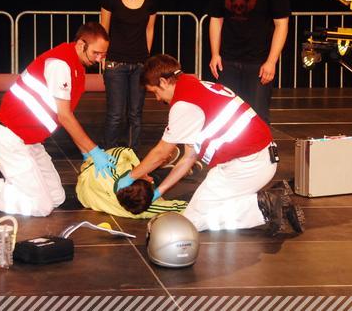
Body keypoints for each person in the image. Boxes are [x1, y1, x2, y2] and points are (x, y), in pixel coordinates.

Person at [116, 54, 305, 234]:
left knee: (192, 222)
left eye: (155, 92)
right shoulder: (197, 85)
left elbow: (161, 153)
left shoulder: (183, 104)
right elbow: (189, 157)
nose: (158, 99)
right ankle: (271, 200)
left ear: (164, 82)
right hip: (258, 161)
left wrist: (130, 176)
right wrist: (159, 191)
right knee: (204, 211)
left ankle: (265, 205)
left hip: (246, 166)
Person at [0, 22, 116, 217]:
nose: (99, 59)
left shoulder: (76, 65)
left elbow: (66, 117)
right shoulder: (61, 65)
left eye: (103, 55)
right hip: (11, 140)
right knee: (41, 207)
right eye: (96, 53)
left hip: (30, 141)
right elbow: (65, 116)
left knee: (57, 198)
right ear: (81, 44)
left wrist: (86, 152)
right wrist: (94, 151)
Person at [207, 0, 290, 125]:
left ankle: (261, 146)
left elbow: (281, 24)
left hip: (258, 63)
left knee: (257, 117)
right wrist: (215, 54)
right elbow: (216, 18)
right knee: (226, 115)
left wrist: (271, 61)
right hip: (228, 61)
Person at [100, 0, 157, 151]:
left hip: (139, 64)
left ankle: (131, 156)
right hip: (115, 63)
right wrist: (103, 57)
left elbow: (149, 29)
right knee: (115, 114)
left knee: (135, 114)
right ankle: (109, 154)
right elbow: (103, 30)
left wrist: (146, 57)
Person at [76, 146, 187, 218]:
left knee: (146, 168)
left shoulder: (114, 163)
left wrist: (138, 169)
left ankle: (161, 163)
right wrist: (156, 193)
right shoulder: (141, 208)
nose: (150, 180)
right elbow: (182, 208)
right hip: (84, 189)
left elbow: (126, 151)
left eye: (147, 180)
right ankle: (171, 166)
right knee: (156, 177)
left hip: (88, 182)